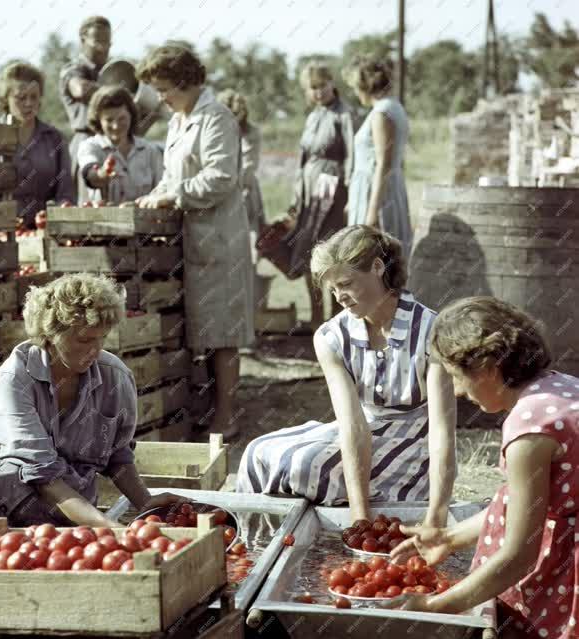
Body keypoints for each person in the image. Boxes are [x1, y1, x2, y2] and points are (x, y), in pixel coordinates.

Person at [0, 274, 185, 544]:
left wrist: (146, 501)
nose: (96, 351)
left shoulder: (115, 377)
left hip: (70, 503)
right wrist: (108, 528)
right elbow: (44, 476)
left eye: (102, 339)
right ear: (50, 336)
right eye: (85, 340)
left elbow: (118, 456)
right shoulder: (15, 379)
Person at [238, 225, 457, 526]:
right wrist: (360, 513)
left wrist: (436, 512)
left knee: (305, 466)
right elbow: (352, 425)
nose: (339, 297)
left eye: (346, 283)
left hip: (416, 441)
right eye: (332, 289)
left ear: (378, 267)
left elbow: (443, 433)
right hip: (361, 432)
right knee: (256, 453)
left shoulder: (431, 330)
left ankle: (309, 525)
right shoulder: (332, 337)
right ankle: (264, 547)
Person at [389, 297, 579, 638]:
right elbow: (518, 503)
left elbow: (519, 556)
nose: (459, 392)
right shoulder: (558, 386)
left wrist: (437, 608)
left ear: (488, 368)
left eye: (457, 378)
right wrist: (448, 538)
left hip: (566, 577)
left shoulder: (529, 429)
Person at [135, 46, 254, 441]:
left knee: (222, 334)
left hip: (218, 240)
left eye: (165, 89)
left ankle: (227, 416)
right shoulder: (179, 120)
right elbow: (172, 176)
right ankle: (202, 406)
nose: (162, 98)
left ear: (186, 82)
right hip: (187, 240)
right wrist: (155, 195)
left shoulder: (215, 118)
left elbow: (222, 177)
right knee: (197, 331)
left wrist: (174, 195)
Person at [283, 61, 356, 328]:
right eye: (312, 88)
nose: (318, 92)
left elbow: (352, 156)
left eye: (322, 86)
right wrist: (296, 196)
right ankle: (316, 317)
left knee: (332, 252)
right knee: (306, 251)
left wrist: (350, 194)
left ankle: (338, 318)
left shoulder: (343, 114)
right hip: (309, 188)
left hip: (331, 187)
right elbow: (303, 159)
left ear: (332, 83)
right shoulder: (313, 115)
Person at [344, 55, 412, 258]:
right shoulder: (391, 107)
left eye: (356, 87)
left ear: (365, 85)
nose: (356, 93)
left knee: (373, 258)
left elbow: (384, 163)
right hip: (379, 189)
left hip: (377, 193)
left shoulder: (382, 113)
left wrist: (372, 213)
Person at [0, 61, 74, 228]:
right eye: (21, 98)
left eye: (34, 97)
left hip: (45, 231)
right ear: (5, 99)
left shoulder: (54, 139)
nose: (29, 103)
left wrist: (56, 216)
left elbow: (65, 193)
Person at [78, 86, 163, 204]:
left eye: (122, 118)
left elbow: (161, 190)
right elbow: (90, 174)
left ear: (131, 115)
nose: (116, 126)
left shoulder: (150, 151)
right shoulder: (90, 146)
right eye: (109, 120)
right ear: (98, 120)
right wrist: (102, 174)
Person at [59, 15, 112, 203]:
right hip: (85, 142)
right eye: (98, 40)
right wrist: (115, 91)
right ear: (83, 40)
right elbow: (79, 89)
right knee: (85, 208)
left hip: (112, 143)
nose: (104, 47)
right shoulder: (73, 69)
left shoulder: (110, 70)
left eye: (107, 42)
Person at [216, 89, 265, 236]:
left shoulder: (252, 133)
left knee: (250, 232)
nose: (235, 118)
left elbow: (250, 164)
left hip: (245, 186)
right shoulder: (217, 132)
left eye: (239, 113)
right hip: (221, 189)